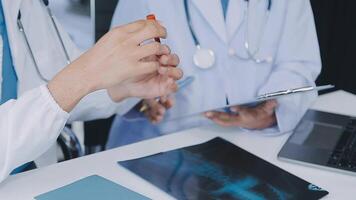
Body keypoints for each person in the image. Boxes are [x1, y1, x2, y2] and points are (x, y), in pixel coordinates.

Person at [0, 0, 183, 183]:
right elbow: (62, 90)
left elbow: (52, 93)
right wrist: (83, 76)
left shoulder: (25, 4)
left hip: (32, 181)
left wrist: (122, 87)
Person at [106, 0, 321, 148]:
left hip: (255, 144)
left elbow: (299, 64)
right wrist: (144, 99)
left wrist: (267, 114)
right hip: (160, 143)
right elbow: (114, 69)